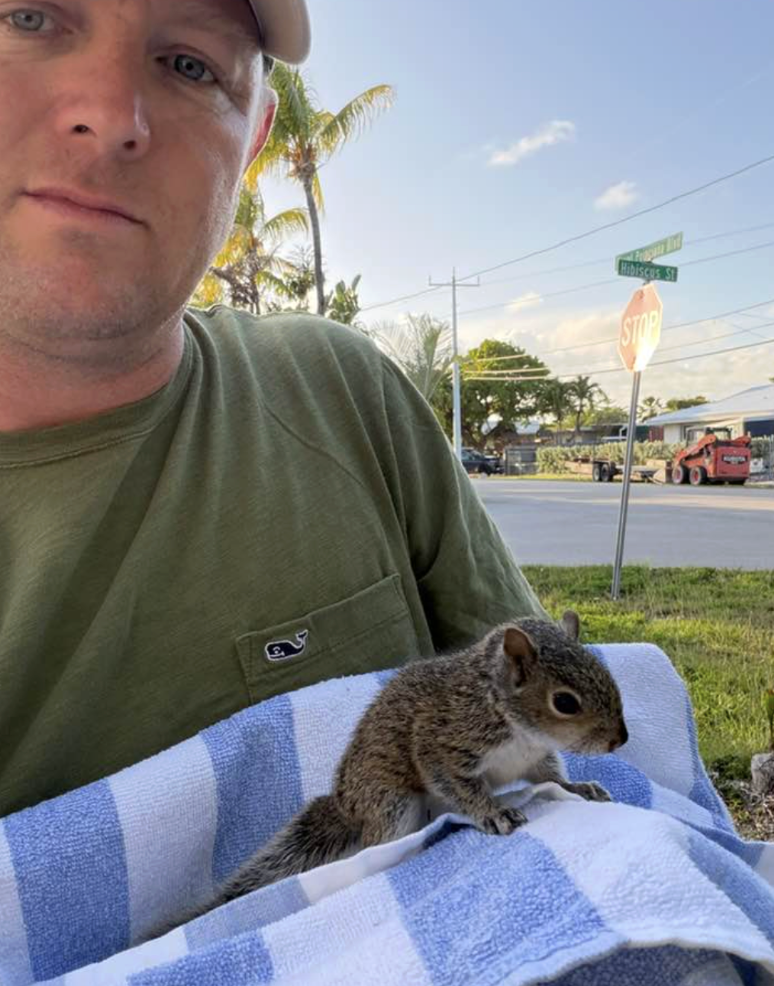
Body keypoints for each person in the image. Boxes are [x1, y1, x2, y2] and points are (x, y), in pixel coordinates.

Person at [0, 0, 547, 819]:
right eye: (31, 19)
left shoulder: (343, 394)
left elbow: (552, 737)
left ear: (252, 137)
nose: (111, 117)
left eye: (191, 65)